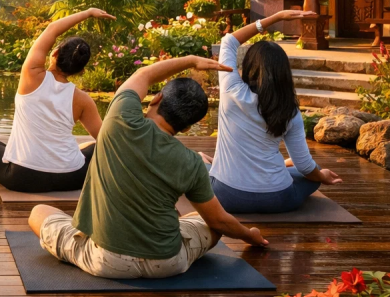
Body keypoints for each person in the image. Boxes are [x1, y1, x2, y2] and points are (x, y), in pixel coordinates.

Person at [29, 55, 268, 279]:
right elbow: (220, 222)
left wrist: (191, 60)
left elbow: (144, 75)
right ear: (186, 128)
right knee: (207, 223)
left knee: (39, 212)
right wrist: (251, 236)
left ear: (156, 99)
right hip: (167, 264)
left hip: (106, 261)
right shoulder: (192, 162)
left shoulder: (120, 120)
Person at [202, 10, 342, 214]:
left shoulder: (231, 89)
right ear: (284, 73)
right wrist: (321, 176)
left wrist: (276, 18)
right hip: (279, 199)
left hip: (227, 197)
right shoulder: (289, 109)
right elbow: (304, 166)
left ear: (249, 67)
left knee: (198, 160)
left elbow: (228, 42)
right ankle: (282, 166)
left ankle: (231, 164)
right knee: (316, 173)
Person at [0, 7, 113, 192]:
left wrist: (87, 13)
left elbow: (52, 29)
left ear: (55, 53)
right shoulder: (83, 100)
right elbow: (106, 141)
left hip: (22, 178)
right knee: (97, 147)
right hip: (72, 178)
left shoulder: (31, 75)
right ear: (81, 71)